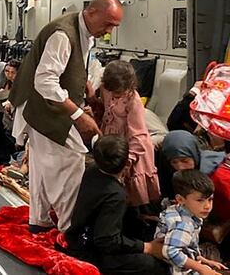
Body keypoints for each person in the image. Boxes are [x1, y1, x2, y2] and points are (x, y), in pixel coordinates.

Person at [9, 0, 123, 233]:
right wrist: (79, 114)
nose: (110, 31)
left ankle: (38, 221)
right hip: (40, 105)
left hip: (44, 104)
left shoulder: (85, 33)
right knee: (70, 162)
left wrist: (85, 88)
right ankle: (69, 230)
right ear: (91, 12)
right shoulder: (63, 34)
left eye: (114, 26)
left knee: (41, 164)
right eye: (108, 23)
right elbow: (45, 81)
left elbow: (69, 68)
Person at [64, 135, 168, 275]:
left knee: (144, 227)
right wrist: (147, 247)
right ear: (127, 164)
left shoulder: (92, 170)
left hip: (79, 235)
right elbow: (106, 240)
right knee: (152, 265)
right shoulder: (115, 195)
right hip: (89, 250)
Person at [87, 60, 160, 208]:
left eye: (118, 93)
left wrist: (126, 162)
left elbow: (138, 135)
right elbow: (106, 111)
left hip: (130, 146)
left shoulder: (133, 100)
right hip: (112, 141)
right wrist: (93, 101)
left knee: (133, 196)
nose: (114, 95)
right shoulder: (106, 89)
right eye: (112, 91)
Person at [154, 170, 227, 275]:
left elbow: (188, 247)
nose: (207, 206)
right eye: (200, 200)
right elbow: (171, 252)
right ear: (180, 199)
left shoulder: (179, 209)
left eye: (210, 199)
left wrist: (205, 262)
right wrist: (201, 268)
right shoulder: (183, 224)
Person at [158, 131, 225, 201]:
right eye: (174, 162)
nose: (180, 167)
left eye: (185, 161)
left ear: (194, 155)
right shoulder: (169, 173)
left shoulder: (215, 170)